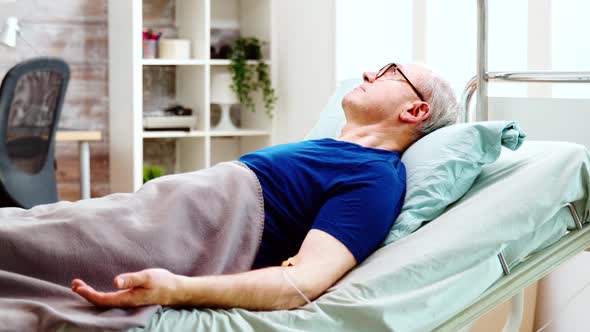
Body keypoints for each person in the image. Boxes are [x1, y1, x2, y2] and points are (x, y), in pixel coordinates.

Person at [68, 63, 459, 311]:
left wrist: (175, 290)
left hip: (176, 234)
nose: (368, 75)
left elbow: (301, 283)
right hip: (144, 210)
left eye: (389, 72)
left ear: (415, 110)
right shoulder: (329, 151)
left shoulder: (375, 179)